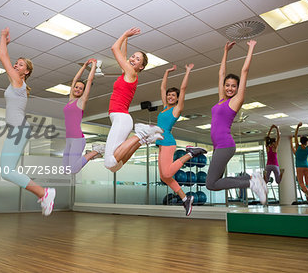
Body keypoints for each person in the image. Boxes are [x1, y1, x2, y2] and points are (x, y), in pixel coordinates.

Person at [0, 27, 55, 216]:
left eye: (20, 64)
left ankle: (44, 193)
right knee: (6, 171)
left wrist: (3, 37)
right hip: (17, 130)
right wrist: (5, 43)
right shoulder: (15, 83)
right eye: (16, 63)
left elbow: (2, 57)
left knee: (6, 171)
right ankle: (43, 193)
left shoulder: (18, 82)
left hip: (19, 129)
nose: (16, 65)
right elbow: (6, 60)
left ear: (26, 71)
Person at [205, 40, 268, 204]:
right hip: (220, 146)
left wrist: (251, 48)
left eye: (233, 86)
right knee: (214, 182)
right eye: (227, 85)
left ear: (237, 88)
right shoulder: (221, 100)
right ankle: (253, 179)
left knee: (211, 184)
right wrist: (225, 51)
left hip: (226, 144)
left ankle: (251, 182)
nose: (230, 88)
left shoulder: (236, 100)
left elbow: (244, 70)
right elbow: (221, 73)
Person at [104, 27, 163, 172]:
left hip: (121, 118)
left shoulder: (131, 73)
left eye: (137, 59)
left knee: (109, 163)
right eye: (133, 56)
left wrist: (124, 34)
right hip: (121, 118)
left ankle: (142, 133)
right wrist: (127, 39)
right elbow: (123, 56)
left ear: (141, 66)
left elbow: (114, 48)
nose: (133, 59)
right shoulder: (128, 73)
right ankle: (143, 140)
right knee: (115, 167)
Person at [157, 64, 207, 216]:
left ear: (177, 98)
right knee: (164, 177)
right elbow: (162, 88)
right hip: (161, 144)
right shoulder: (165, 107)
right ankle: (185, 199)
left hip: (168, 143)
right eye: (169, 95)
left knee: (166, 174)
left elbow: (183, 89)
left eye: (173, 95)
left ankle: (190, 154)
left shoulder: (176, 109)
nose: (170, 97)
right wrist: (166, 72)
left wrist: (187, 72)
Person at [63, 58, 105, 174]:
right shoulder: (71, 99)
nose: (77, 89)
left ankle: (95, 151)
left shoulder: (81, 101)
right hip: (69, 139)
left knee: (73, 170)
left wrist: (93, 66)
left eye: (80, 88)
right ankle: (89, 154)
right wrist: (84, 66)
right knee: (65, 170)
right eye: (76, 87)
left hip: (77, 138)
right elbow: (74, 80)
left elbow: (90, 80)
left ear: (83, 91)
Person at [291, 122, 308, 199]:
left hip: (299, 167)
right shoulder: (307, 148)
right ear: (306, 142)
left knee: (301, 182)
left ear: (300, 141)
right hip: (306, 166)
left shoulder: (297, 146)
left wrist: (298, 126)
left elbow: (295, 136)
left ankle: (307, 193)